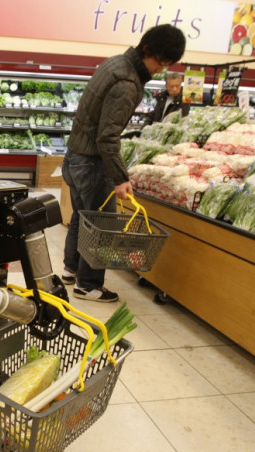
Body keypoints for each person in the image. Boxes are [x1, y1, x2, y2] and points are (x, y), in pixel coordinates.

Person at [62, 24, 186, 302]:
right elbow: (107, 137)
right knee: (103, 225)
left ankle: (71, 270)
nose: (161, 70)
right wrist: (119, 178)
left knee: (82, 218)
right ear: (147, 50)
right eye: (160, 62)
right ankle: (88, 284)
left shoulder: (114, 63)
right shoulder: (128, 83)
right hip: (93, 163)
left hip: (75, 156)